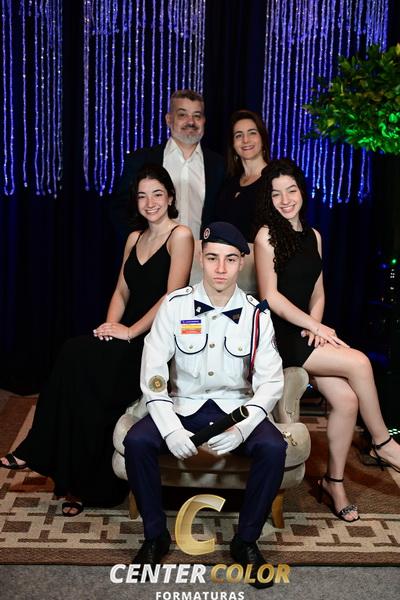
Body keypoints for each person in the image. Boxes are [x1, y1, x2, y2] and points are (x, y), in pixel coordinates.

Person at [0, 164, 194, 517]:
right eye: (142, 196)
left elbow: (173, 297)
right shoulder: (134, 238)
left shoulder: (180, 236)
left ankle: (39, 452)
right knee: (76, 361)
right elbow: (121, 291)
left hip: (155, 341)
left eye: (157, 194)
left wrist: (130, 332)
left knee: (81, 362)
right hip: (126, 334)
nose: (150, 202)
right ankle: (72, 481)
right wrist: (110, 327)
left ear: (170, 197)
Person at [123, 222, 286, 590]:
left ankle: (246, 541)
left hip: (235, 409)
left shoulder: (257, 315)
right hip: (183, 405)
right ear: (200, 259)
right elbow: (154, 374)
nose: (220, 268)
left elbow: (271, 381)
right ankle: (155, 536)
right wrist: (170, 428)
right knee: (137, 441)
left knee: (274, 448)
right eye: (212, 258)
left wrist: (243, 428)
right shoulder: (174, 306)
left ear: (242, 262)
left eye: (230, 259)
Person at [253, 157, 400, 523]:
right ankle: (383, 443)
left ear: (302, 191)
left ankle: (333, 483)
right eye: (276, 194)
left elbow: (318, 292)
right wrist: (314, 329)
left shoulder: (314, 236)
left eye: (291, 190)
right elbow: (271, 297)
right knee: (360, 362)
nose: (285, 199)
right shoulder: (265, 236)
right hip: (279, 335)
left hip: (304, 331)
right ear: (268, 198)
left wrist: (314, 326)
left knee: (347, 401)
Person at [110, 89, 226, 241]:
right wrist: (142, 243)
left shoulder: (219, 165)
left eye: (197, 116)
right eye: (182, 115)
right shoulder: (141, 160)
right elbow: (121, 208)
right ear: (169, 119)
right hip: (154, 253)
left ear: (204, 120)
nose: (191, 122)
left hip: (202, 253)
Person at [215, 109, 270, 242]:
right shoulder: (228, 183)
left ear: (262, 139)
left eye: (252, 133)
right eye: (239, 135)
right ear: (233, 145)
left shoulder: (274, 180)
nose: (246, 140)